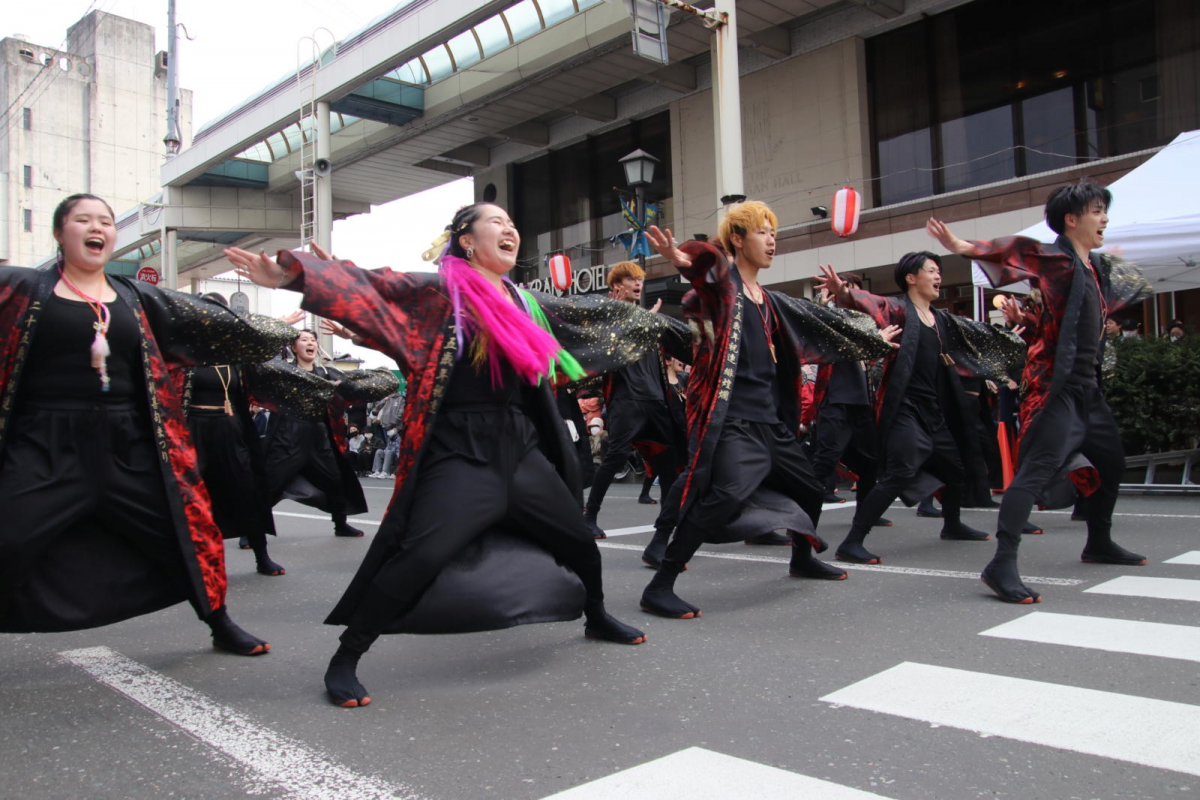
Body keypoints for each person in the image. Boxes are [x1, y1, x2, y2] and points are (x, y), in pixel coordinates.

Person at [225, 202, 689, 707]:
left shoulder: (524, 300)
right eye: (497, 223)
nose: (510, 229)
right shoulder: (441, 289)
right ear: (466, 239)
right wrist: (296, 273)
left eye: (514, 224)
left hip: (520, 445)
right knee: (421, 552)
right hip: (461, 447)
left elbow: (592, 316)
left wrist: (660, 320)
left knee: (577, 538)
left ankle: (595, 615)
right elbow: (378, 285)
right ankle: (347, 655)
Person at [0, 193, 295, 654]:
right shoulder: (20, 289)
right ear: (60, 232)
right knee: (9, 535)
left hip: (127, 440)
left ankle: (218, 621)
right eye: (83, 220)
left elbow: (219, 325)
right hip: (43, 441)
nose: (96, 227)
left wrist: (284, 317)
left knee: (185, 532)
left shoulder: (137, 297)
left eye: (105, 221)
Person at [638, 201, 898, 619]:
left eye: (773, 233)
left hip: (771, 422)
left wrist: (868, 338)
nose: (772, 240)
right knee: (724, 495)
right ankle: (660, 584)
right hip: (734, 421)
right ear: (736, 240)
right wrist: (689, 261)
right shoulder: (725, 291)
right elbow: (708, 281)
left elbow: (821, 326)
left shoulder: (773, 301)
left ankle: (802, 559)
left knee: (810, 489)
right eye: (762, 232)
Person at [927, 179, 1152, 603]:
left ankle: (1098, 542)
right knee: (1035, 472)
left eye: (1105, 209)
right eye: (1097, 210)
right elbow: (1014, 250)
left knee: (1113, 464)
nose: (1104, 218)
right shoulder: (1057, 260)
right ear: (1072, 219)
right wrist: (961, 245)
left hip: (1090, 388)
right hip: (1057, 388)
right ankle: (1001, 563)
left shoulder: (1095, 267)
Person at [817, 253, 1025, 565]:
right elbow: (875, 304)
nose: (938, 276)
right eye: (931, 271)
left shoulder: (941, 320)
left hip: (932, 408)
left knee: (954, 469)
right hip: (904, 406)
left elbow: (974, 338)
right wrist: (845, 292)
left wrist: (1010, 335)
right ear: (911, 278)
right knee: (900, 470)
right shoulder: (901, 310)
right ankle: (852, 541)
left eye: (939, 271)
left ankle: (952, 525)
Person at [583, 261, 685, 540]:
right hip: (626, 397)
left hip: (655, 398)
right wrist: (637, 321)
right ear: (617, 286)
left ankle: (663, 537)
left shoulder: (649, 318)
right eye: (631, 278)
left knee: (668, 465)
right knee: (614, 457)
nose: (638, 283)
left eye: (640, 278)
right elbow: (604, 350)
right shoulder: (607, 314)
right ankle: (589, 516)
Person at [262, 330, 395, 538]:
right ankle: (251, 530)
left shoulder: (326, 373)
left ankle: (340, 524)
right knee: (272, 483)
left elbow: (355, 387)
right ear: (293, 347)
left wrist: (381, 377)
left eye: (313, 340)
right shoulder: (284, 371)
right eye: (304, 340)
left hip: (318, 434)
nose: (310, 343)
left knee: (335, 480)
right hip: (288, 435)